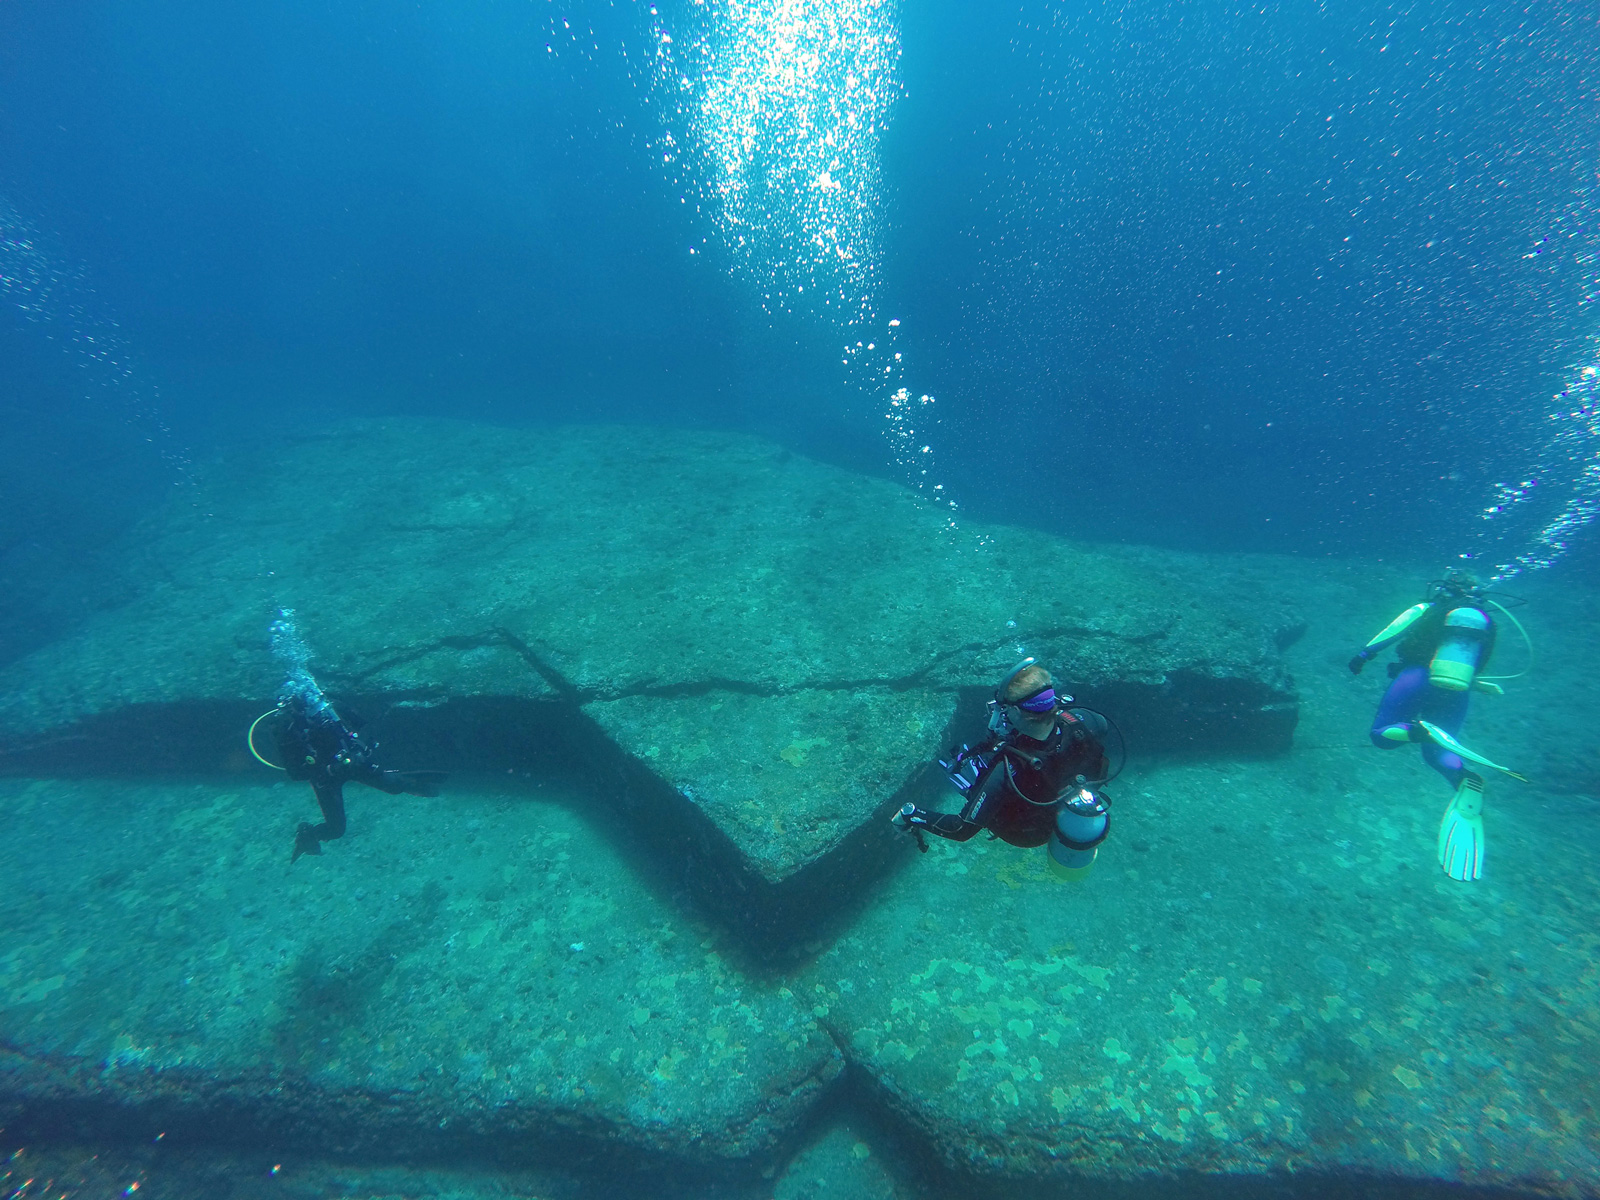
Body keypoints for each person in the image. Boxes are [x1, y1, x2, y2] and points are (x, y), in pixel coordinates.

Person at [1349, 568, 1524, 882]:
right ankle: (1462, 778)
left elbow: (1394, 629)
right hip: (1458, 688)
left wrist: (1364, 655)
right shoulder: (1486, 622)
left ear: (1446, 588)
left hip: (1416, 676)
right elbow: (1478, 661)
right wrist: (1476, 683)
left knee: (1381, 736)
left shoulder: (1429, 608)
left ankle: (1417, 730)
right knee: (1438, 752)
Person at [892, 659, 1116, 878]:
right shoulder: (1080, 722)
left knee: (977, 778)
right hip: (1068, 813)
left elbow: (960, 830)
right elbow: (1102, 726)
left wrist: (911, 814)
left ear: (1016, 712)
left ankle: (973, 792)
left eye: (1005, 709)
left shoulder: (1007, 768)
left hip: (1028, 834)